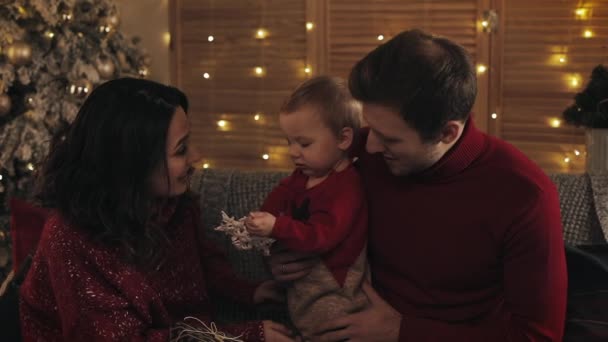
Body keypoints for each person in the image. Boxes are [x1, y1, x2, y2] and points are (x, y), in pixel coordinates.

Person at [270, 29, 568, 341]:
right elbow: (297, 204)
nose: (368, 146)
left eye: (390, 138)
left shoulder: (524, 195)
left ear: (447, 133)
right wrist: (283, 256)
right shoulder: (353, 152)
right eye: (370, 127)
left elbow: (537, 337)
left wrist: (401, 331)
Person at [19, 78, 295, 341]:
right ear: (133, 164)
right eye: (181, 149)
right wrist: (241, 337)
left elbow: (205, 263)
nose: (196, 156)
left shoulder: (173, 204)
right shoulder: (70, 240)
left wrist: (252, 292)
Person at [245, 76, 369, 339]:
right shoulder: (302, 176)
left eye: (304, 143)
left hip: (337, 288)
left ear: (343, 139)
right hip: (302, 289)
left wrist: (276, 226)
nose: (293, 152)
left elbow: (321, 237)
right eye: (288, 141)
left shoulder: (346, 187)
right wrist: (257, 221)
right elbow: (278, 199)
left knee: (330, 328)